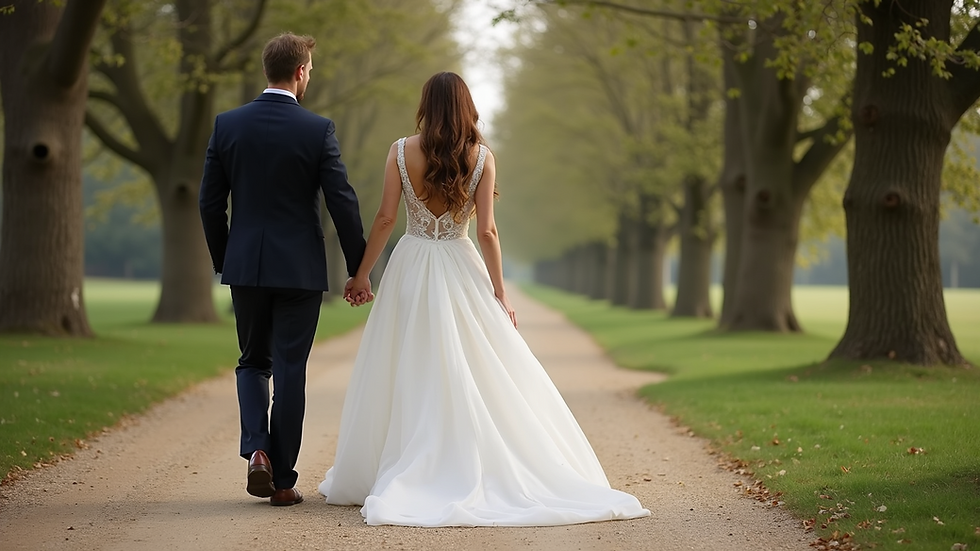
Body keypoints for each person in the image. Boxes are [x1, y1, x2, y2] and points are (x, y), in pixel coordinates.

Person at [321, 72, 650, 526]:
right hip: (460, 261)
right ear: (465, 106)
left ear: (426, 105)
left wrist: (361, 274)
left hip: (412, 263)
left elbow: (384, 218)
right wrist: (499, 292)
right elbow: (488, 231)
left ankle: (400, 459)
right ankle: (463, 455)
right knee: (470, 361)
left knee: (406, 359)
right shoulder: (482, 157)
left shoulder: (401, 151)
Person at [199, 33, 367, 507]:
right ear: (299, 72)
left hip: (247, 266)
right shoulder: (318, 130)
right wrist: (359, 268)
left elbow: (209, 203)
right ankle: (284, 480)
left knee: (253, 361)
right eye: (310, 69)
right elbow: (343, 201)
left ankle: (257, 450)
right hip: (299, 271)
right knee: (290, 370)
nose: (309, 75)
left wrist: (224, 258)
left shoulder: (227, 125)